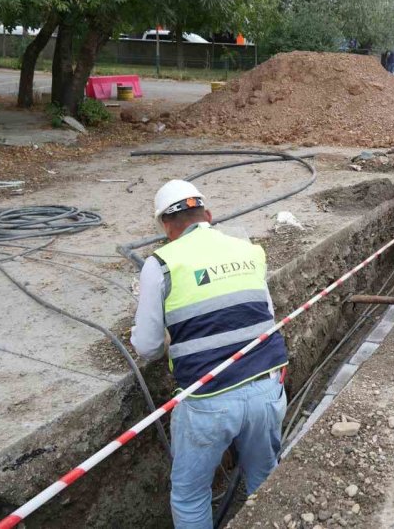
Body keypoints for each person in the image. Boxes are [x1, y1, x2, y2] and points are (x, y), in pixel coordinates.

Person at [131, 180, 288, 529]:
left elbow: (147, 347)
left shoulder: (161, 264)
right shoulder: (246, 249)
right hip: (267, 386)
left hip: (208, 398)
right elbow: (266, 315)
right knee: (265, 479)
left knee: (190, 495)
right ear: (209, 216)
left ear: (166, 226)